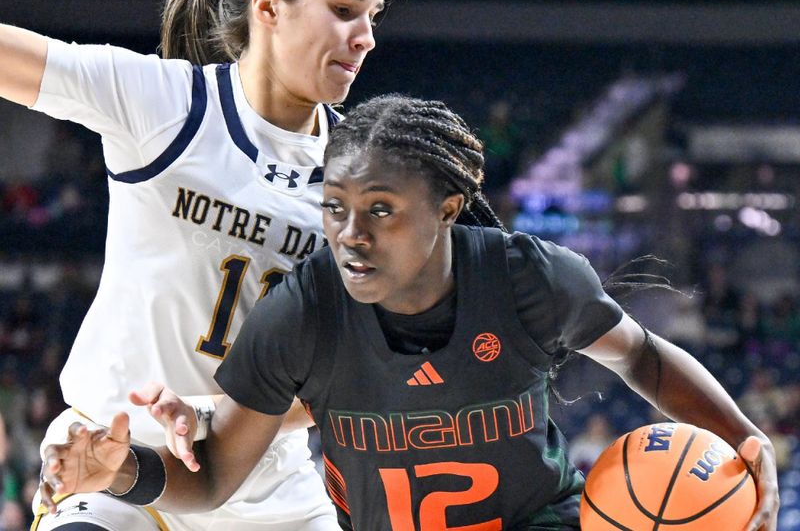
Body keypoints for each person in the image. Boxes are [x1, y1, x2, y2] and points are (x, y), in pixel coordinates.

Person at [39, 95, 779, 530]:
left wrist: (743, 438)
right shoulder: (302, 312)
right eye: (333, 209)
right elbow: (211, 483)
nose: (350, 234)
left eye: (380, 210)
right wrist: (121, 474)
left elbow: (643, 356)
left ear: (448, 208)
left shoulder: (527, 277)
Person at [0, 0, 396, 528]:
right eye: (344, 10)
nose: (364, 36)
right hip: (112, 458)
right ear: (267, 7)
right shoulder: (167, 105)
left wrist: (210, 411)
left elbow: (350, 380)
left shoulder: (366, 178)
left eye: (372, 15)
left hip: (267, 491)